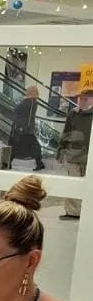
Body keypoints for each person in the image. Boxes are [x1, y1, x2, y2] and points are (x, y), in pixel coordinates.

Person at [58, 88, 93, 219]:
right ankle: (72, 212)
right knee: (73, 185)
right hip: (73, 155)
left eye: (86, 99)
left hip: (90, 157)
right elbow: (66, 132)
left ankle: (88, 212)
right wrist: (60, 150)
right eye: (81, 99)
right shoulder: (73, 113)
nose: (82, 101)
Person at [9, 85, 45, 172]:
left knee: (14, 146)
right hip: (28, 129)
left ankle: (8, 163)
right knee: (35, 146)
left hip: (22, 129)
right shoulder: (33, 103)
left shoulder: (27, 102)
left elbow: (15, 112)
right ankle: (39, 163)